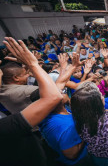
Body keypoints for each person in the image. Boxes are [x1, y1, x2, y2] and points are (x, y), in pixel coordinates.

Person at [0, 37, 63, 166]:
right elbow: (55, 95)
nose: (28, 75)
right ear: (16, 78)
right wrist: (32, 64)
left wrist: (25, 65)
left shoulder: (4, 90)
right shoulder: (22, 92)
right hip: (37, 137)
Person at [38, 53, 91, 166]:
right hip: (78, 162)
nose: (63, 91)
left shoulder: (46, 113)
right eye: (61, 92)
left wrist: (66, 67)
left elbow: (60, 83)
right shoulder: (68, 126)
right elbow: (71, 154)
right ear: (56, 99)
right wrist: (85, 133)